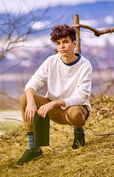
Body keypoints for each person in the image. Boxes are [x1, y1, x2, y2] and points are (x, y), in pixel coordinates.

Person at [17, 24, 92, 165]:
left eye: (65, 42)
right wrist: (31, 101)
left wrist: (55, 103)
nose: (62, 46)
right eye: (58, 43)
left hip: (75, 109)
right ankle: (34, 148)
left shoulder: (85, 65)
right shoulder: (51, 62)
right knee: (26, 98)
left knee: (76, 114)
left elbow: (82, 96)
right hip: (53, 110)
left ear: (74, 43)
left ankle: (78, 131)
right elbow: (33, 83)